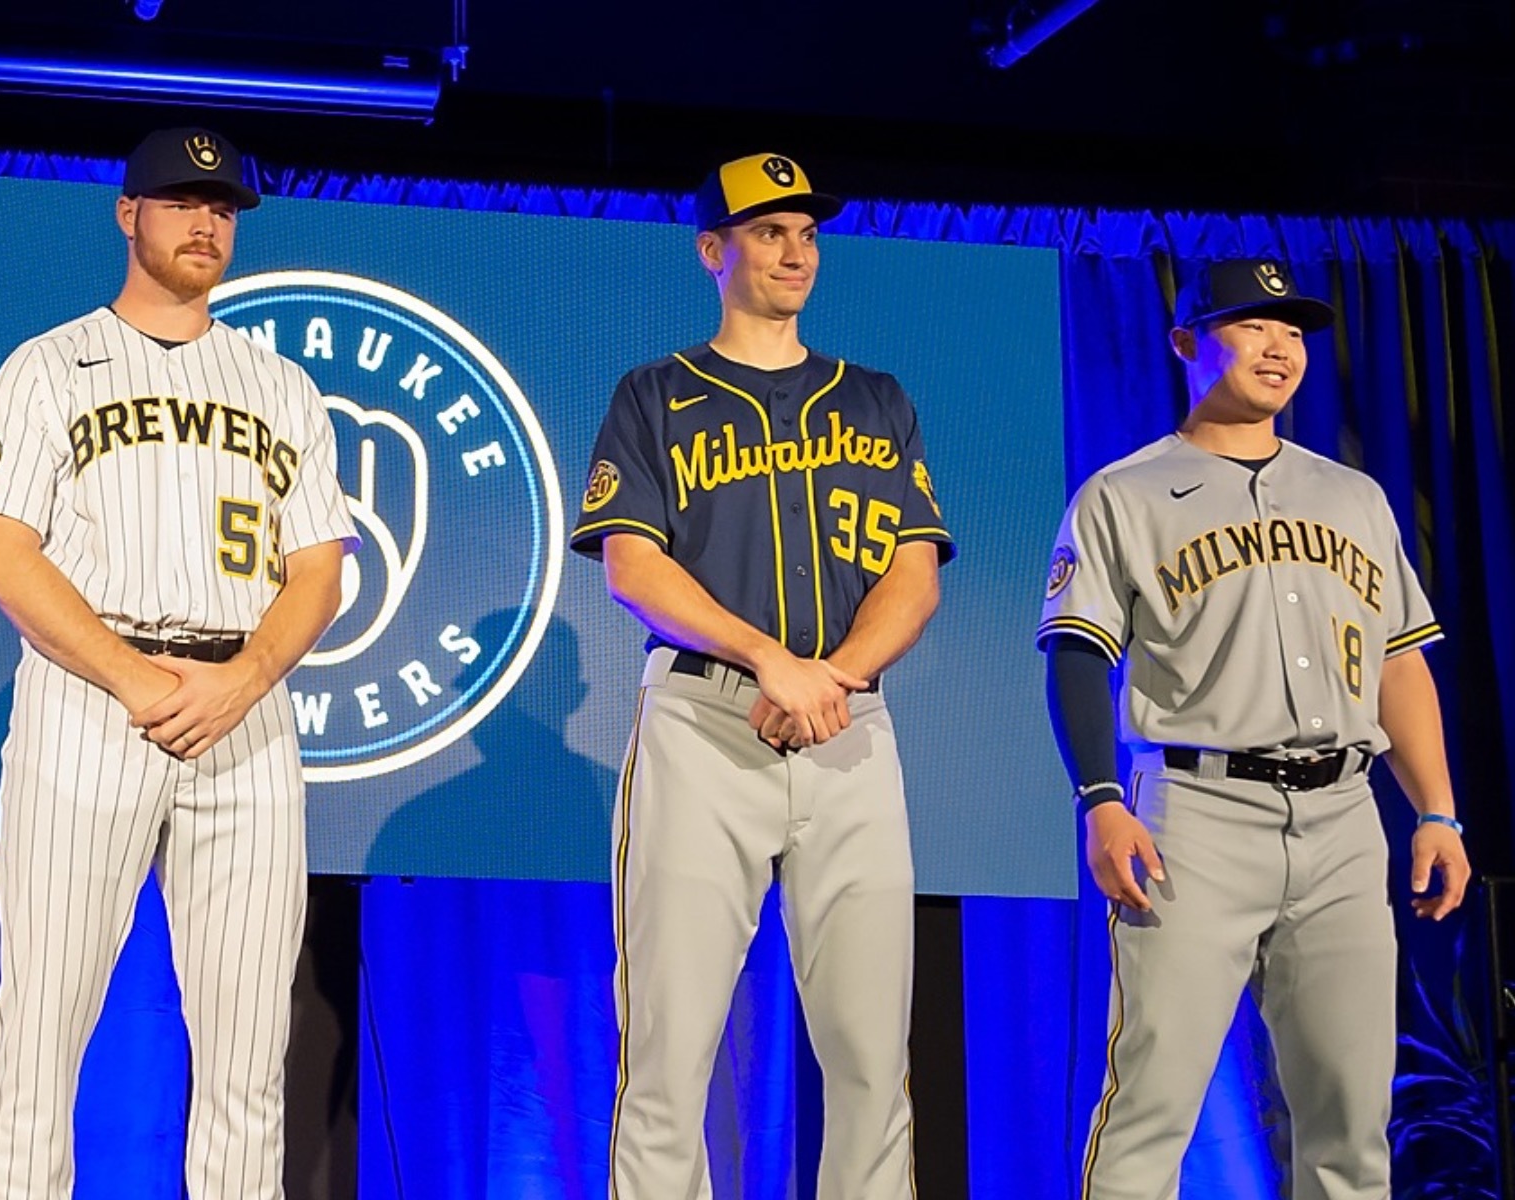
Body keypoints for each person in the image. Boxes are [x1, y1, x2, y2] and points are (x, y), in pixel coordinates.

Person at [0, 126, 357, 1200]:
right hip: (93, 702)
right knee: (41, 1030)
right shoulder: (48, 364)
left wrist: (243, 681)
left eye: (222, 207)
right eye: (181, 201)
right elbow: (0, 549)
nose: (206, 220)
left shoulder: (279, 383)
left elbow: (317, 568)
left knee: (249, 1044)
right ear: (129, 215)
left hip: (244, 712)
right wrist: (134, 678)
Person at [1037, 257, 1472, 1199]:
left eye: (1292, 330)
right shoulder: (1125, 493)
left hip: (1345, 817)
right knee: (1150, 1107)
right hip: (1194, 812)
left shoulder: (1354, 497)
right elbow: (1076, 653)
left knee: (1353, 1119)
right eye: (1251, 325)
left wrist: (1438, 811)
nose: (1279, 346)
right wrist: (1102, 800)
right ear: (1188, 343)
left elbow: (1399, 661)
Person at [570, 152, 954, 1198]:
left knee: (874, 1055)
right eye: (767, 231)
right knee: (668, 1050)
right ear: (713, 250)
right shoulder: (654, 393)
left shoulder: (873, 398)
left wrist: (829, 676)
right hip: (705, 722)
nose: (794, 250)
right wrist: (775, 663)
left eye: (806, 232)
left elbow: (912, 578)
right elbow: (632, 566)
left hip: (849, 728)